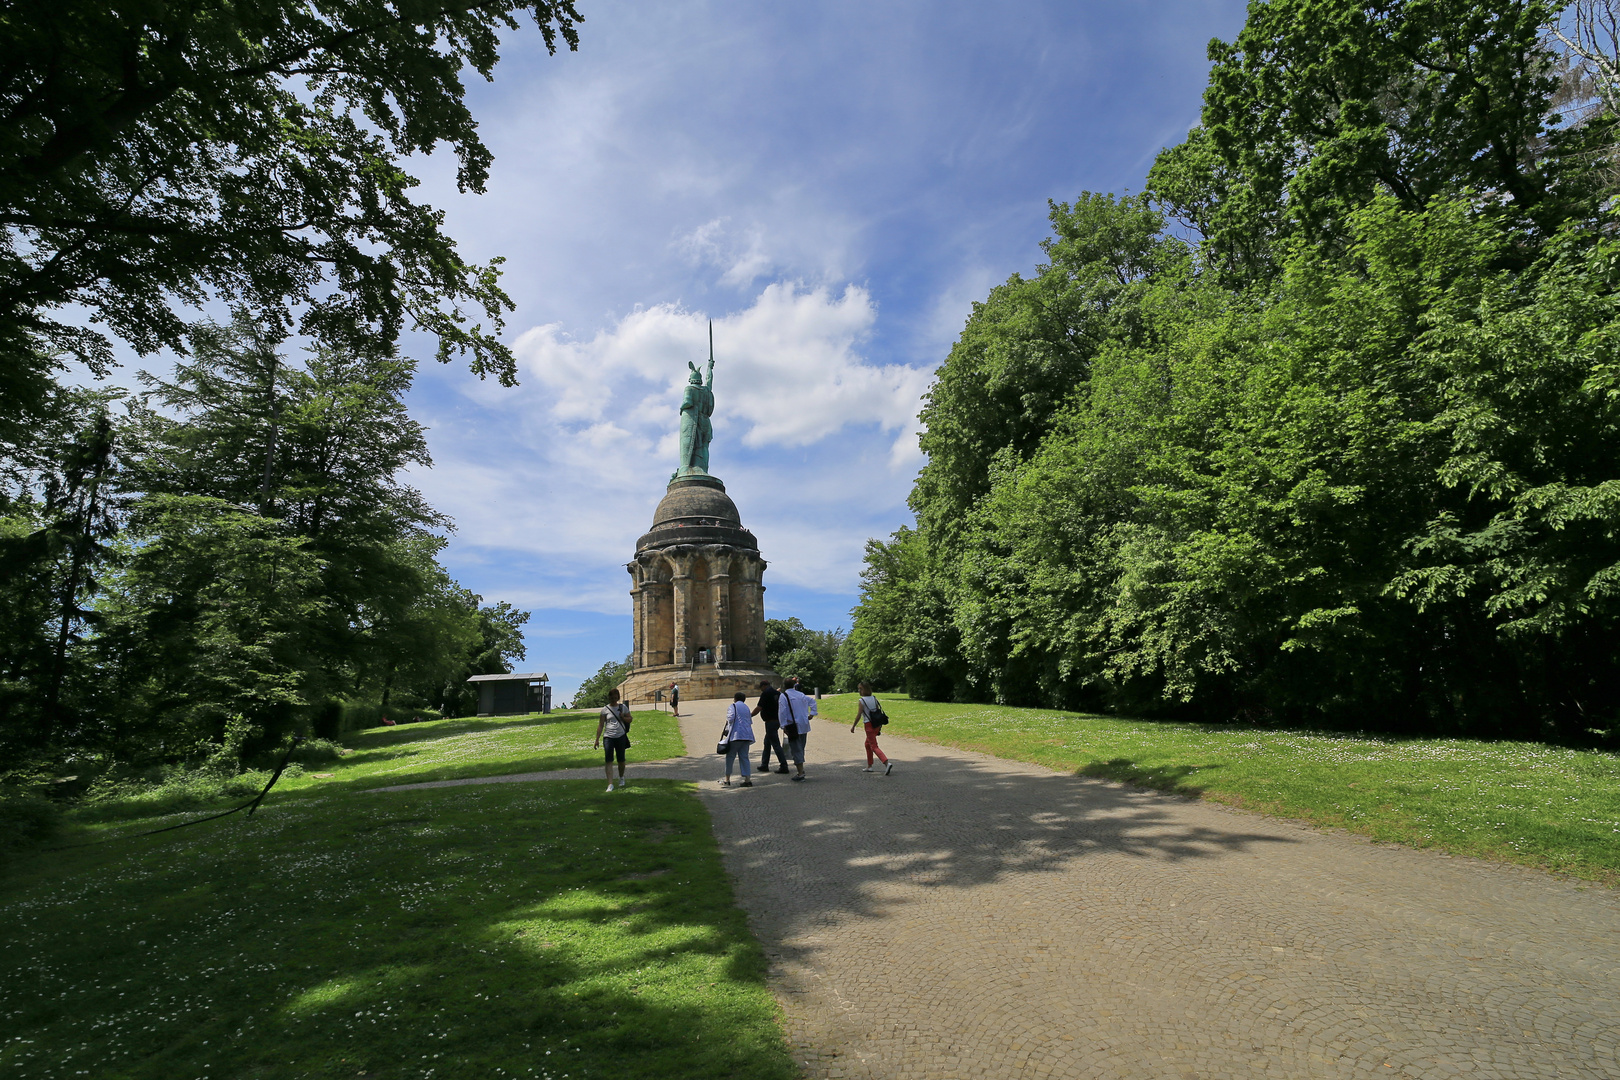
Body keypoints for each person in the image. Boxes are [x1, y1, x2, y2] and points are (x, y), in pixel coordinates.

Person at [594, 688, 633, 792]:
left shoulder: (622, 707)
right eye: (612, 697)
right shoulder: (605, 710)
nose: (613, 699)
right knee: (608, 760)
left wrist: (623, 718)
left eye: (615, 697)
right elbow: (601, 725)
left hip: (620, 736)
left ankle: (621, 777)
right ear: (609, 697)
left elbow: (630, 719)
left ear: (618, 697)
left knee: (621, 760)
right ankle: (610, 784)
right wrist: (597, 739)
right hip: (608, 737)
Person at [852, 681, 894, 775]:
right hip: (876, 725)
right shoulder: (874, 698)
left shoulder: (861, 701)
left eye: (860, 688)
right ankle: (869, 766)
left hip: (868, 725)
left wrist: (853, 726)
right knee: (867, 744)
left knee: (874, 746)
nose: (859, 690)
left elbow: (859, 715)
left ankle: (886, 763)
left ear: (865, 689)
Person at [777, 676, 813, 781]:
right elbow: (813, 702)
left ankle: (800, 773)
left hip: (793, 726)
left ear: (784, 686)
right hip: (804, 724)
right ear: (793, 685)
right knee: (801, 747)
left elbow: (782, 712)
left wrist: (783, 725)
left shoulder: (783, 696)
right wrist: (812, 714)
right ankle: (800, 768)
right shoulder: (801, 694)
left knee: (796, 749)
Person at [720, 691, 755, 787]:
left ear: (735, 698)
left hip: (736, 735)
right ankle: (747, 779)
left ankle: (727, 779)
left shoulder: (733, 706)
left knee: (730, 757)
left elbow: (730, 718)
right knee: (744, 757)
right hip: (747, 735)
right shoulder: (746, 707)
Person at [752, 679, 787, 773]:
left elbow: (759, 707)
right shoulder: (777, 693)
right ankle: (764, 765)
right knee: (767, 743)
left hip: (770, 721)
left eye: (761, 688)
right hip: (777, 720)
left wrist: (750, 715)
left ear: (763, 686)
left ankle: (784, 765)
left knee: (775, 744)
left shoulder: (766, 693)